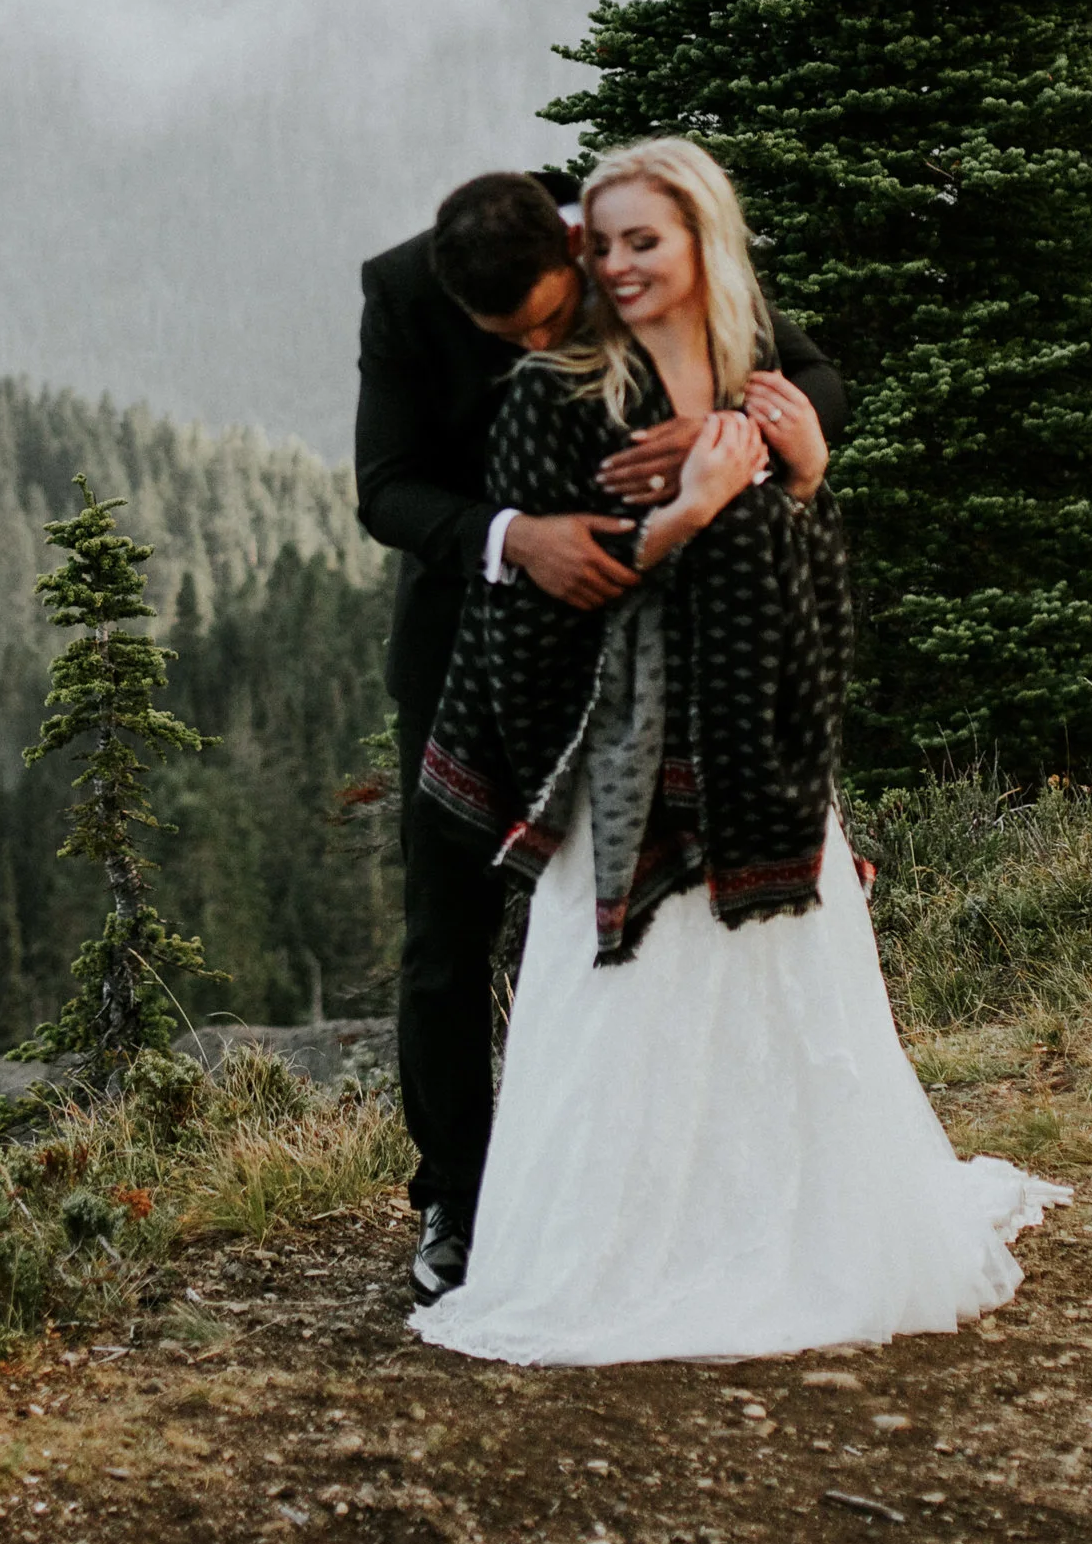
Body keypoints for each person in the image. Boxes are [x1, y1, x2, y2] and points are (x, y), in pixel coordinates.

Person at [410, 137, 1065, 1366]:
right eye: (603, 244)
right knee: (635, 1004)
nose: (621, 263)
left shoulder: (748, 369)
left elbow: (797, 559)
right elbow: (558, 603)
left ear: (703, 240)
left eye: (646, 240)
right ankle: (617, 1245)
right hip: (622, 760)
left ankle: (778, 1225)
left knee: (769, 995)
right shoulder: (550, 395)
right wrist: (690, 511)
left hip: (752, 740)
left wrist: (801, 473)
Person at [354, 163, 848, 1302]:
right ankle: (459, 1206)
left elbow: (808, 375)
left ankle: (677, 1190)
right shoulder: (400, 293)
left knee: (668, 927)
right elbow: (386, 488)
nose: (531, 346)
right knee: (447, 935)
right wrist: (513, 534)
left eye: (543, 321)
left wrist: (721, 445)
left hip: (668, 664)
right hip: (474, 662)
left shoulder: (641, 238)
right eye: (502, 334)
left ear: (572, 257)